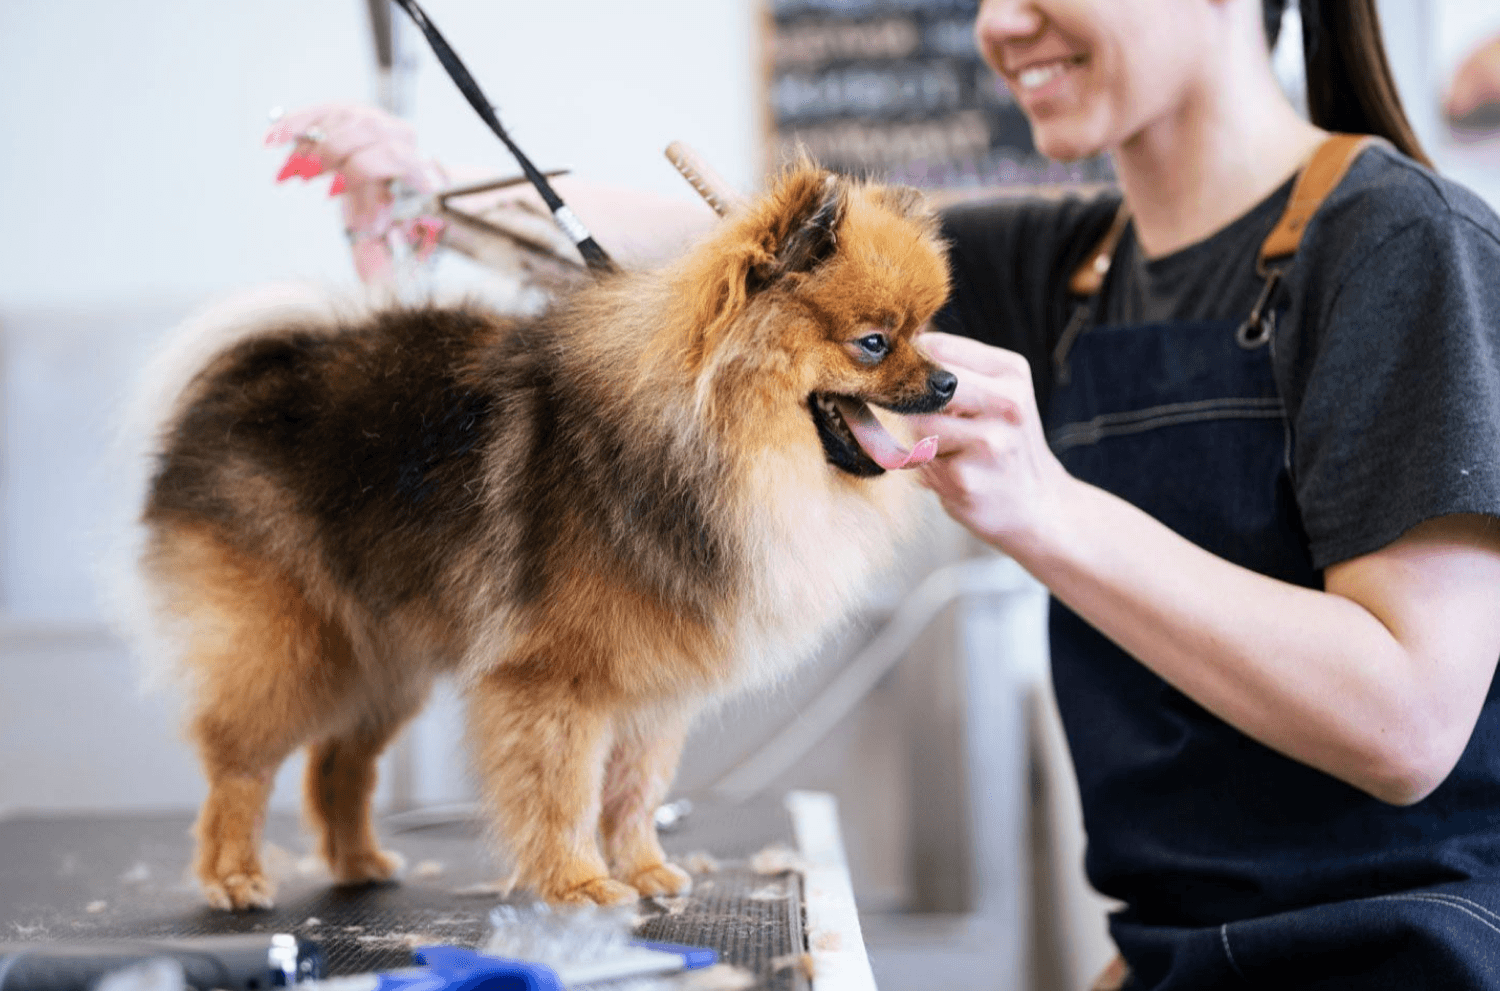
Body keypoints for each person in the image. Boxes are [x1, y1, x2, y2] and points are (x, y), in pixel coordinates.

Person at [271, 0, 1500, 986]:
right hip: (1177, 952)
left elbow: (1405, 723)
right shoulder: (1075, 261)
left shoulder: (1401, 243)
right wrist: (437, 186)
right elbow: (710, 259)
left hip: (1402, 954)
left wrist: (1051, 510)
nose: (1000, 24)